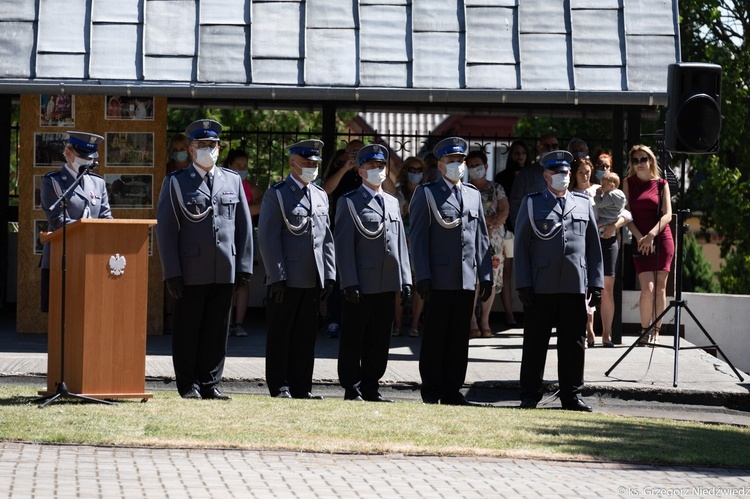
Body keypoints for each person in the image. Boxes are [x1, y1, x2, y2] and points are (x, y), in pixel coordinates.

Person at [155, 119, 254, 400]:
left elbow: (244, 227)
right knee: (188, 329)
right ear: (190, 149)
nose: (207, 150)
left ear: (219, 148)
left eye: (212, 145)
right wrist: (171, 272)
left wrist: (244, 266)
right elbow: (166, 230)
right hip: (189, 269)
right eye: (201, 146)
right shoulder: (175, 182)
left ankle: (211, 383)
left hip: (224, 268)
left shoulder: (232, 180)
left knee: (216, 330)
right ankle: (189, 384)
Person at [515, 150, 603, 412]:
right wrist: (523, 282)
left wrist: (596, 283)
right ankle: (530, 394)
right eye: (556, 172)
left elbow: (593, 248)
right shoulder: (532, 203)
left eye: (566, 172)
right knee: (535, 342)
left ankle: (572, 395)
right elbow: (521, 246)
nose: (563, 177)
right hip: (541, 285)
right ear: (546, 175)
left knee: (573, 343)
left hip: (574, 284)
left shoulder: (583, 203)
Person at [409, 137, 493, 406]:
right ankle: (432, 390)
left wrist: (486, 274)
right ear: (440, 164)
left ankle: (453, 390)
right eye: (451, 161)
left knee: (459, 338)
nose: (457, 165)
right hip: (438, 277)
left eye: (460, 161)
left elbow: (480, 237)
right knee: (435, 337)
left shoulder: (471, 194)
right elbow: (418, 238)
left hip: (466, 278)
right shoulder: (427, 193)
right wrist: (422, 274)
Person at [258, 139, 335, 399]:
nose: (311, 168)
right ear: (293, 163)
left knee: (305, 337)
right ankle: (280, 386)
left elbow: (326, 238)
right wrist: (277, 276)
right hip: (286, 279)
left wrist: (330, 274)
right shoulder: (277, 193)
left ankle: (303, 386)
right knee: (281, 336)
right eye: (307, 163)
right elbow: (268, 238)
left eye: (314, 163)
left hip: (312, 278)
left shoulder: (320, 194)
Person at [334, 144, 412, 402]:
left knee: (380, 339)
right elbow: (343, 245)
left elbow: (400, 241)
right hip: (361, 282)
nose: (377, 171)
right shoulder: (349, 201)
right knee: (354, 338)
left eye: (381, 167)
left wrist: (406, 279)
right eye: (371, 167)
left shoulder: (391, 202)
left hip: (387, 281)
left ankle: (371, 385)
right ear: (360, 170)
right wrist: (349, 282)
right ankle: (352, 387)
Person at [40, 132, 111, 313]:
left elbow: (106, 217)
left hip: (93, 258)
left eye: (91, 157)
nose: (88, 161)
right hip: (63, 258)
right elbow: (57, 220)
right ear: (69, 153)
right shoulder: (53, 182)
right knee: (63, 314)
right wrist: (88, 231)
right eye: (83, 156)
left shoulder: (98, 183)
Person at [623, 145, 674, 345]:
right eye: (635, 161)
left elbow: (668, 214)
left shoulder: (661, 184)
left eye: (643, 159)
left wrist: (651, 235)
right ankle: (644, 330)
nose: (639, 164)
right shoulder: (628, 182)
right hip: (639, 238)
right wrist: (640, 238)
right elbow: (626, 215)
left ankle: (656, 330)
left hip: (661, 238)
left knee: (660, 288)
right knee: (647, 289)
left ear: (650, 160)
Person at [321, 141, 364, 338]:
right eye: (352, 153)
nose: (355, 156)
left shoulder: (369, 172)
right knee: (338, 279)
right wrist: (346, 166)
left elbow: (388, 189)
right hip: (341, 231)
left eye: (359, 152)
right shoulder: (341, 171)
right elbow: (326, 189)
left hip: (365, 234)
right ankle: (334, 321)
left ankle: (357, 321)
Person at [466, 150, 509, 338]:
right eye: (472, 165)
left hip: (495, 240)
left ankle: (485, 320)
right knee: (473, 279)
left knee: (490, 280)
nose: (475, 168)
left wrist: (491, 225)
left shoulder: (496, 188)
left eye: (478, 164)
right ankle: (472, 321)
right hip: (471, 238)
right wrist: (486, 222)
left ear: (486, 166)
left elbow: (504, 209)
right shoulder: (464, 188)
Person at [222, 149, 263, 337]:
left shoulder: (252, 189)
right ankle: (225, 322)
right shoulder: (221, 184)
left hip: (244, 235)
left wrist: (242, 209)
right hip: (226, 235)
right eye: (238, 166)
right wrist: (247, 209)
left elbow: (262, 207)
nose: (242, 169)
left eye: (245, 166)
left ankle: (239, 323)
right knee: (226, 280)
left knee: (243, 279)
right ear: (229, 165)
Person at [569, 157, 604, 347]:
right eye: (581, 172)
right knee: (581, 288)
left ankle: (591, 327)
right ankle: (584, 325)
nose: (584, 175)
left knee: (593, 285)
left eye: (587, 172)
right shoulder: (570, 193)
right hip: (578, 244)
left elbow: (621, 212)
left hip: (597, 241)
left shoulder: (597, 190)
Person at [392, 156, 427, 337]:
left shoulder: (427, 192)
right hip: (400, 241)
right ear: (405, 172)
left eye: (418, 170)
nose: (415, 173)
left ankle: (414, 324)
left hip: (420, 242)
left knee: (417, 284)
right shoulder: (397, 193)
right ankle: (397, 325)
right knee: (398, 284)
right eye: (411, 170)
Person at [509, 134, 558, 226]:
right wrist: (519, 228)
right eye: (547, 146)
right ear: (539, 148)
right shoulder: (526, 173)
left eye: (554, 146)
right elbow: (515, 202)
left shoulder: (565, 172)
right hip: (532, 228)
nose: (551, 149)